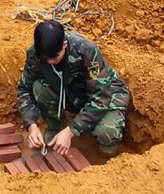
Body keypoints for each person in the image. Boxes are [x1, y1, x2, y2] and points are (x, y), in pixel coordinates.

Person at [17, 20, 131, 157]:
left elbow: (100, 97)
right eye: (45, 58)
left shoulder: (86, 51)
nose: (50, 62)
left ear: (64, 44)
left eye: (54, 57)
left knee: (107, 132)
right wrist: (32, 125)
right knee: (40, 88)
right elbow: (24, 89)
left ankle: (108, 154)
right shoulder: (35, 53)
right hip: (73, 92)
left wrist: (71, 130)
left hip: (108, 94)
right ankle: (55, 130)